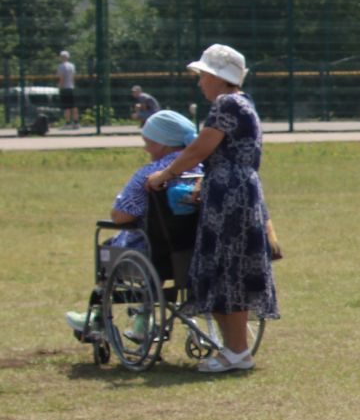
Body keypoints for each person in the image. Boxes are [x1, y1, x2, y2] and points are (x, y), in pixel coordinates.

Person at [144, 44, 277, 373]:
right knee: (231, 269)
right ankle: (236, 350)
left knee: (221, 267)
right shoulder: (243, 103)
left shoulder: (226, 103)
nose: (200, 82)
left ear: (218, 78)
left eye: (203, 76)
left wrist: (165, 174)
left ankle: (235, 351)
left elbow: (200, 147)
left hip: (228, 195)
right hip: (240, 188)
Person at [63, 110, 199, 338]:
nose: (145, 148)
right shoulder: (202, 171)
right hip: (191, 250)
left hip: (150, 252)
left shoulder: (150, 174)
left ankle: (99, 318)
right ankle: (142, 317)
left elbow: (120, 216)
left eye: (148, 142)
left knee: (108, 248)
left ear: (164, 144)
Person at [56, 48, 78, 128]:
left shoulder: (61, 66)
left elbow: (62, 78)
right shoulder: (72, 66)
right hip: (71, 87)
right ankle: (76, 122)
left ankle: (68, 123)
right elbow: (73, 77)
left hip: (65, 88)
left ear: (61, 57)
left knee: (67, 107)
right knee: (74, 106)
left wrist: (60, 87)